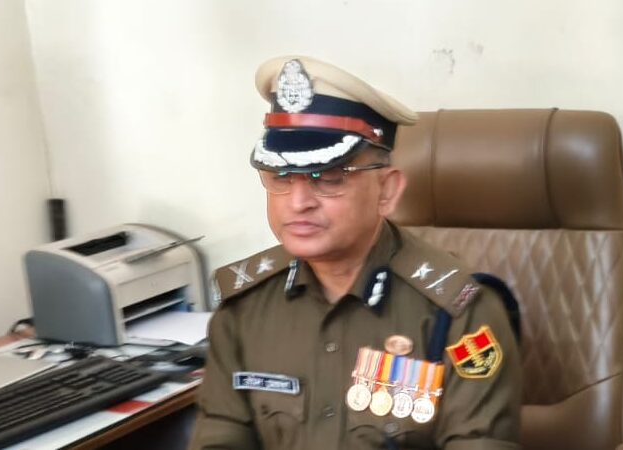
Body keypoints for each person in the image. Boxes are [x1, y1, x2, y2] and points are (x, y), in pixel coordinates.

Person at [188, 56, 521, 450]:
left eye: (328, 178)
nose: (298, 202)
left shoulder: (459, 312)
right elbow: (220, 436)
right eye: (280, 177)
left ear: (387, 191)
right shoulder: (245, 308)